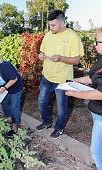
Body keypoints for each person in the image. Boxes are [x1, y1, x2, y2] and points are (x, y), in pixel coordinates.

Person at [36, 10, 84, 139]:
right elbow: (42, 52)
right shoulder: (48, 35)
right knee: (41, 103)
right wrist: (40, 56)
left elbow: (76, 60)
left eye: (53, 25)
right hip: (47, 76)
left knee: (62, 108)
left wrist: (61, 58)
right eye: (49, 25)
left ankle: (59, 128)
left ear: (63, 23)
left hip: (63, 79)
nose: (50, 28)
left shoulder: (72, 37)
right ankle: (46, 122)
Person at [66, 29, 102, 169]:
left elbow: (100, 93)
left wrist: (75, 93)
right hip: (96, 111)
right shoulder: (100, 58)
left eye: (97, 42)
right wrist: (77, 80)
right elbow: (92, 76)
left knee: (95, 150)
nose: (95, 45)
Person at [0, 52, 24, 137]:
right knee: (4, 104)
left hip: (15, 88)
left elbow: (14, 79)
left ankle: (15, 126)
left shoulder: (5, 66)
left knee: (14, 106)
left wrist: (4, 88)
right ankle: (11, 118)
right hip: (4, 90)